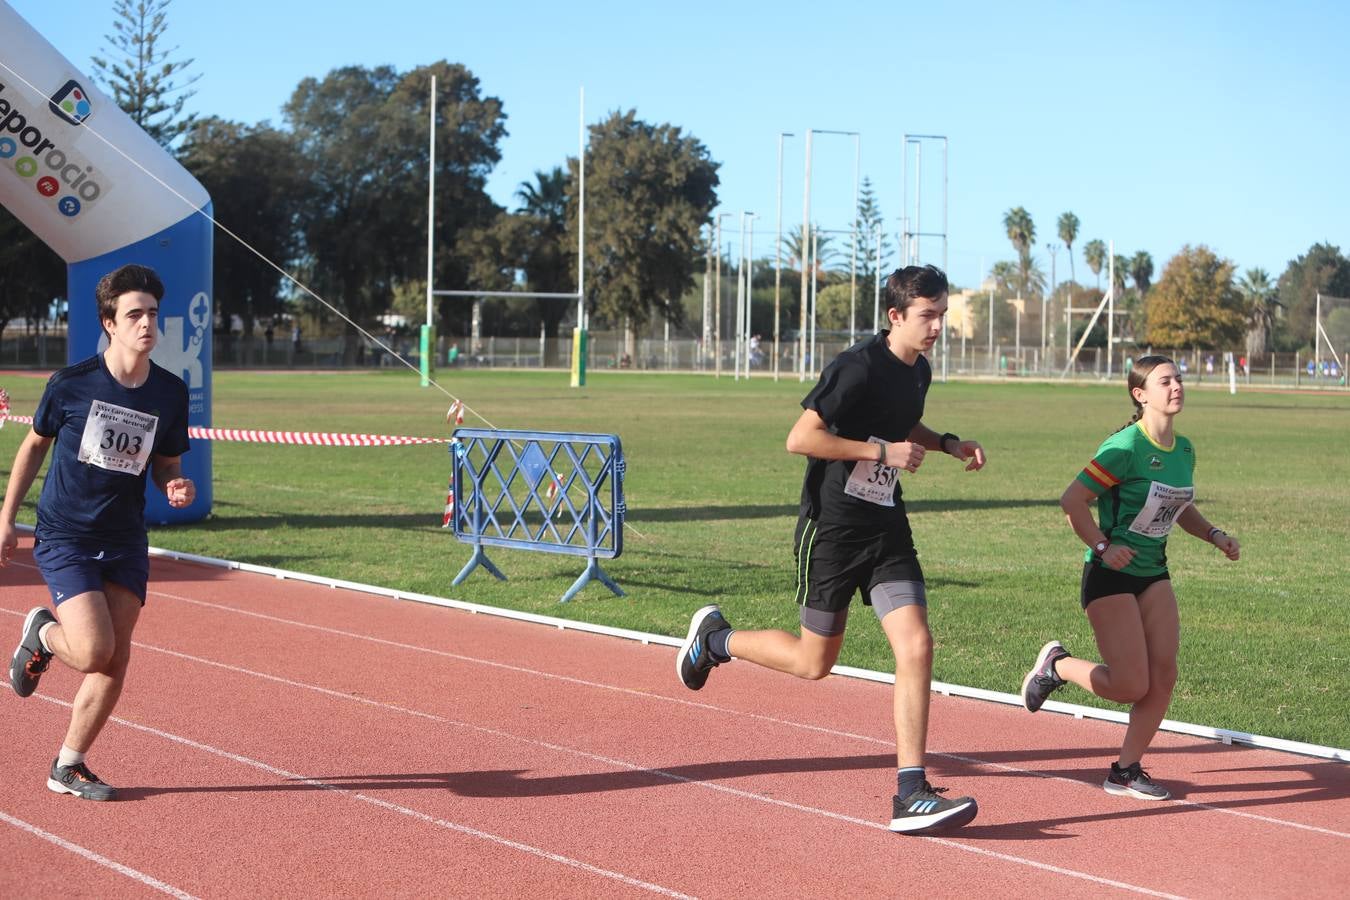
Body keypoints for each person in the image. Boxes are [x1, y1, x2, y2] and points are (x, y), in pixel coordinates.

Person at [676, 265, 987, 835]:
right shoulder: (855, 367)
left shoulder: (920, 369)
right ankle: (716, 639)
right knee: (813, 663)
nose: (938, 325)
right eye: (928, 315)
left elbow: (903, 423)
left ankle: (911, 792)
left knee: (916, 645)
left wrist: (944, 443)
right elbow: (802, 438)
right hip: (833, 530)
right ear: (895, 316)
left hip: (887, 527)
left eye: (942, 314)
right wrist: (877, 452)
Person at [2, 263, 194, 801]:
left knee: (116, 655)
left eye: (153, 313)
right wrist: (5, 517)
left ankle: (68, 765)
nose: (147, 324)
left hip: (126, 536)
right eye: (134, 314)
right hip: (67, 534)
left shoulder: (169, 392)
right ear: (110, 322)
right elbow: (33, 446)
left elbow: (166, 464)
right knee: (90, 650)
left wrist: (175, 485)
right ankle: (42, 633)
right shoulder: (71, 384)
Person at [1020, 355, 1240, 801]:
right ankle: (1056, 666)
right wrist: (1104, 546)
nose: (1177, 386)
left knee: (1164, 675)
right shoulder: (1123, 448)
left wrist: (1214, 535)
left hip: (1153, 573)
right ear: (1141, 395)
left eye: (1179, 378)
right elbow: (1072, 501)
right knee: (1129, 685)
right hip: (1109, 576)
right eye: (1165, 381)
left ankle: (1125, 770)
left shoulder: (1184, 449)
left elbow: (1179, 508)